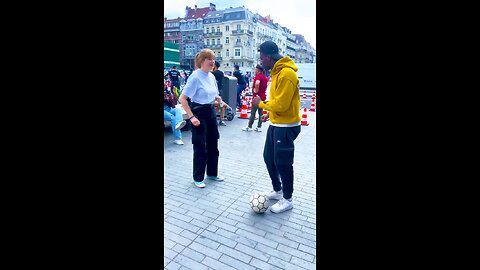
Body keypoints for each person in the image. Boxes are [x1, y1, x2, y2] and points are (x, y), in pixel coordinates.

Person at [252, 41, 301, 213]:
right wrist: (269, 115)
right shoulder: (277, 72)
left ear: (267, 57)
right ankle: (278, 190)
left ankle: (287, 199)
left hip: (287, 126)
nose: (260, 60)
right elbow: (279, 103)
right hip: (277, 123)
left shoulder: (287, 73)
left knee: (283, 163)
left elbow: (282, 104)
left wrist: (262, 105)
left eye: (261, 57)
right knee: (268, 158)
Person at [179, 49, 225, 188]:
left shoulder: (211, 76)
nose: (212, 62)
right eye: (209, 59)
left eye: (213, 59)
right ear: (202, 61)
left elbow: (214, 96)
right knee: (200, 147)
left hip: (210, 112)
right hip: (198, 113)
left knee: (213, 144)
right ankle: (198, 177)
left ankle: (212, 173)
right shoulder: (195, 76)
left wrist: (218, 100)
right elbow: (182, 99)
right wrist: (191, 117)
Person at [242, 64, 268, 132]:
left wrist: (255, 90)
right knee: (260, 113)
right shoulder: (265, 77)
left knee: (253, 112)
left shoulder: (258, 76)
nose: (255, 70)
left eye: (255, 69)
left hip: (256, 97)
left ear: (258, 70)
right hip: (262, 97)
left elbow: (257, 83)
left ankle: (249, 126)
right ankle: (259, 127)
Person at [211, 60, 227, 126]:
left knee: (212, 105)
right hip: (220, 90)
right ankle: (221, 120)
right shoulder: (221, 73)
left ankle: (213, 119)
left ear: (214, 66)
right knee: (221, 105)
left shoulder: (212, 74)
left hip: (213, 91)